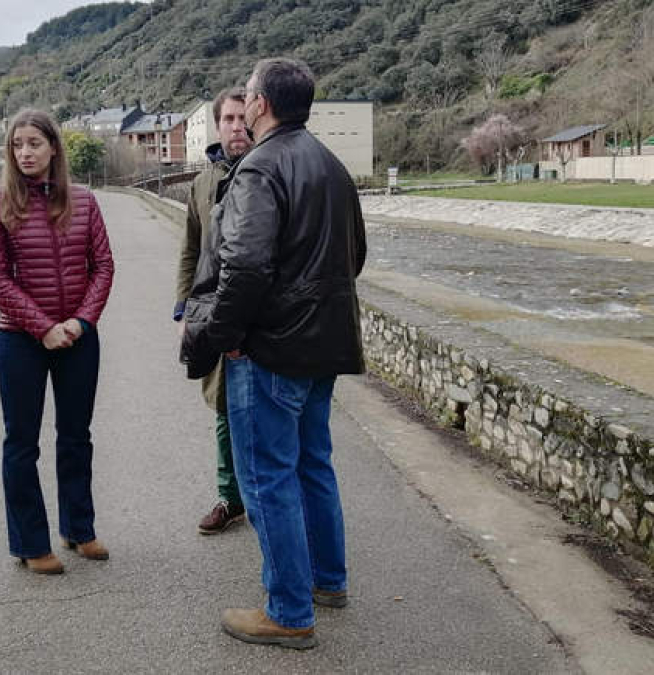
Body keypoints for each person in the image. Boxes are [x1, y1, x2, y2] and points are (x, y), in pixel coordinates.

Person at [180, 58, 367, 649]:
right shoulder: (331, 165)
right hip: (323, 346)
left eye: (249, 100)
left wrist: (224, 337)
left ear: (260, 105)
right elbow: (353, 255)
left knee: (267, 480)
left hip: (271, 350)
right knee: (313, 463)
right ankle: (327, 581)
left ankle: (288, 611)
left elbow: (246, 267)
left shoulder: (259, 168)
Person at [0, 108, 115, 575]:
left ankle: (80, 529)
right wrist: (43, 326)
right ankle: (30, 542)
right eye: (17, 145)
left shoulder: (84, 201)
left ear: (54, 147)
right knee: (21, 442)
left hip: (78, 337)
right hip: (20, 341)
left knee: (76, 437)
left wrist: (80, 322)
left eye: (34, 143)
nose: (25, 153)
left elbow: (104, 268)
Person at [174, 86, 253, 535]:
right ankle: (230, 497)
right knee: (222, 406)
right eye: (228, 119)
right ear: (217, 124)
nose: (237, 127)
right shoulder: (202, 183)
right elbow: (189, 247)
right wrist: (184, 308)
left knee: (259, 408)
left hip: (257, 319)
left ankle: (262, 497)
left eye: (243, 118)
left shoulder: (266, 171)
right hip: (211, 311)